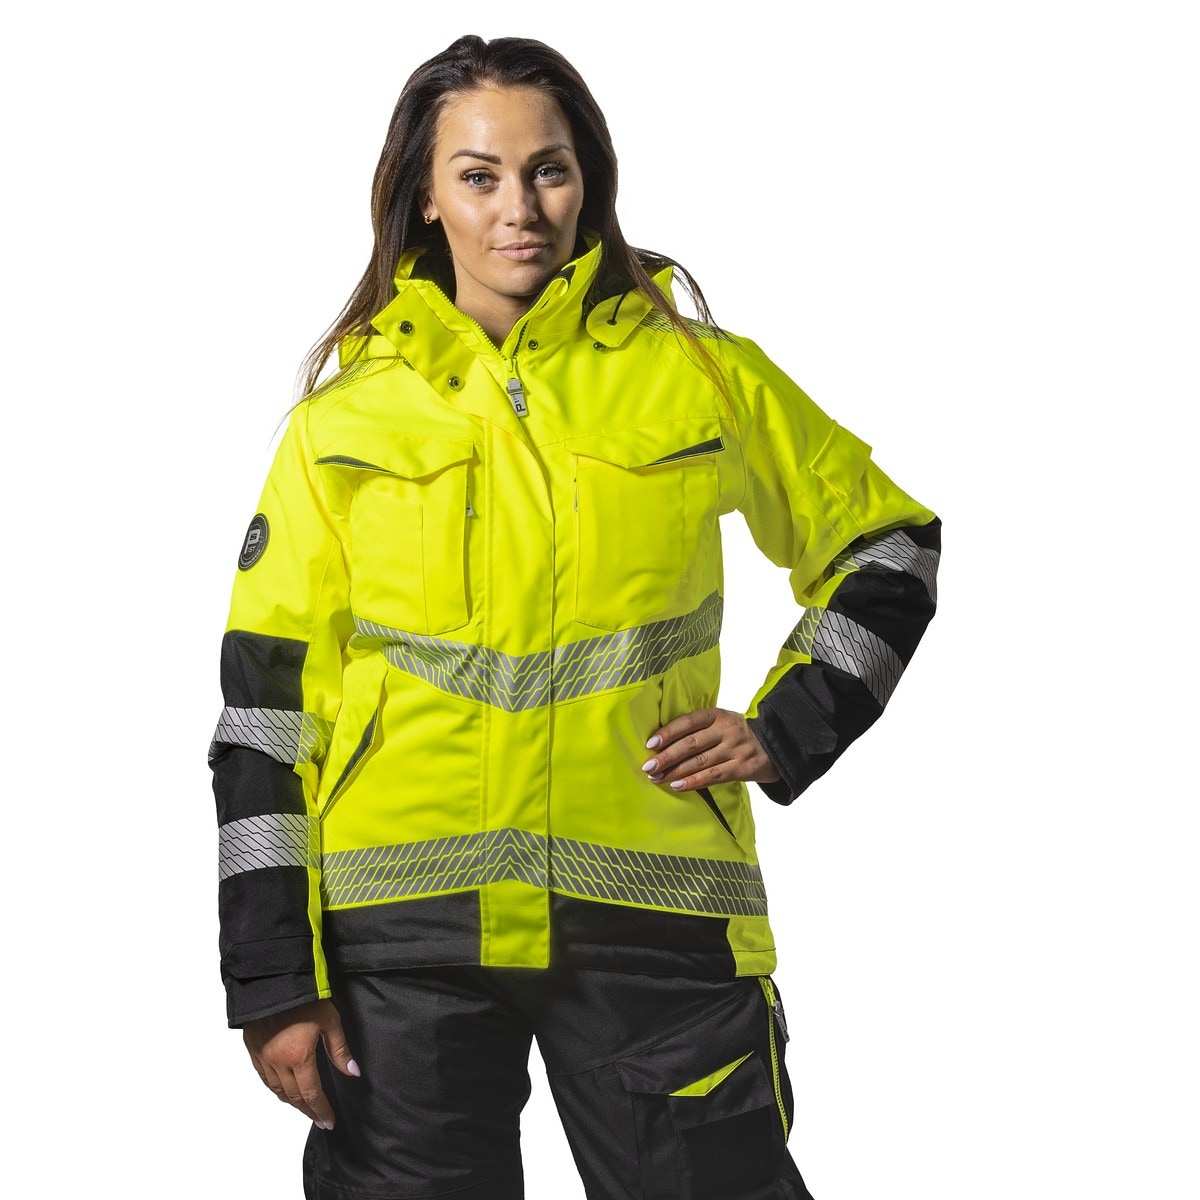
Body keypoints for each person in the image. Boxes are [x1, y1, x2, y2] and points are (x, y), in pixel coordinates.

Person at [209, 33, 940, 1200]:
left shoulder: (699, 376)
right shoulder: (341, 426)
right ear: (426, 197)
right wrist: (272, 980)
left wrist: (788, 726)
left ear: (587, 179)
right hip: (400, 941)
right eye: (479, 177)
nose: (520, 209)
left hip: (651, 913)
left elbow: (888, 544)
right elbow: (265, 719)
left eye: (548, 170)